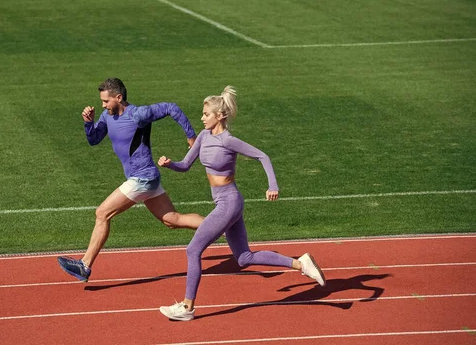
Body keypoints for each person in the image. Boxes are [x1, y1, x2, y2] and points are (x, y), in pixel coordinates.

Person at [157, 86, 326, 321]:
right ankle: (300, 264)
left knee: (193, 249)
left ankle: (187, 308)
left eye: (206, 114)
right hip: (226, 202)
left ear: (220, 116)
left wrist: (273, 185)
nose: (202, 118)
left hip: (229, 203)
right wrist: (169, 164)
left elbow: (262, 156)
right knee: (244, 257)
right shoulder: (204, 136)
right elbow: (185, 165)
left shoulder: (229, 140)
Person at [57, 78, 204, 282]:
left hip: (142, 178)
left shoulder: (138, 114)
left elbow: (171, 107)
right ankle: (220, 225)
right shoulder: (106, 116)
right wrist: (88, 123)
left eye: (106, 101)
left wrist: (191, 137)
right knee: (173, 220)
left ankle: (84, 265)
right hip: (146, 179)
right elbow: (93, 140)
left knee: (102, 214)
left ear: (119, 97)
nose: (103, 105)